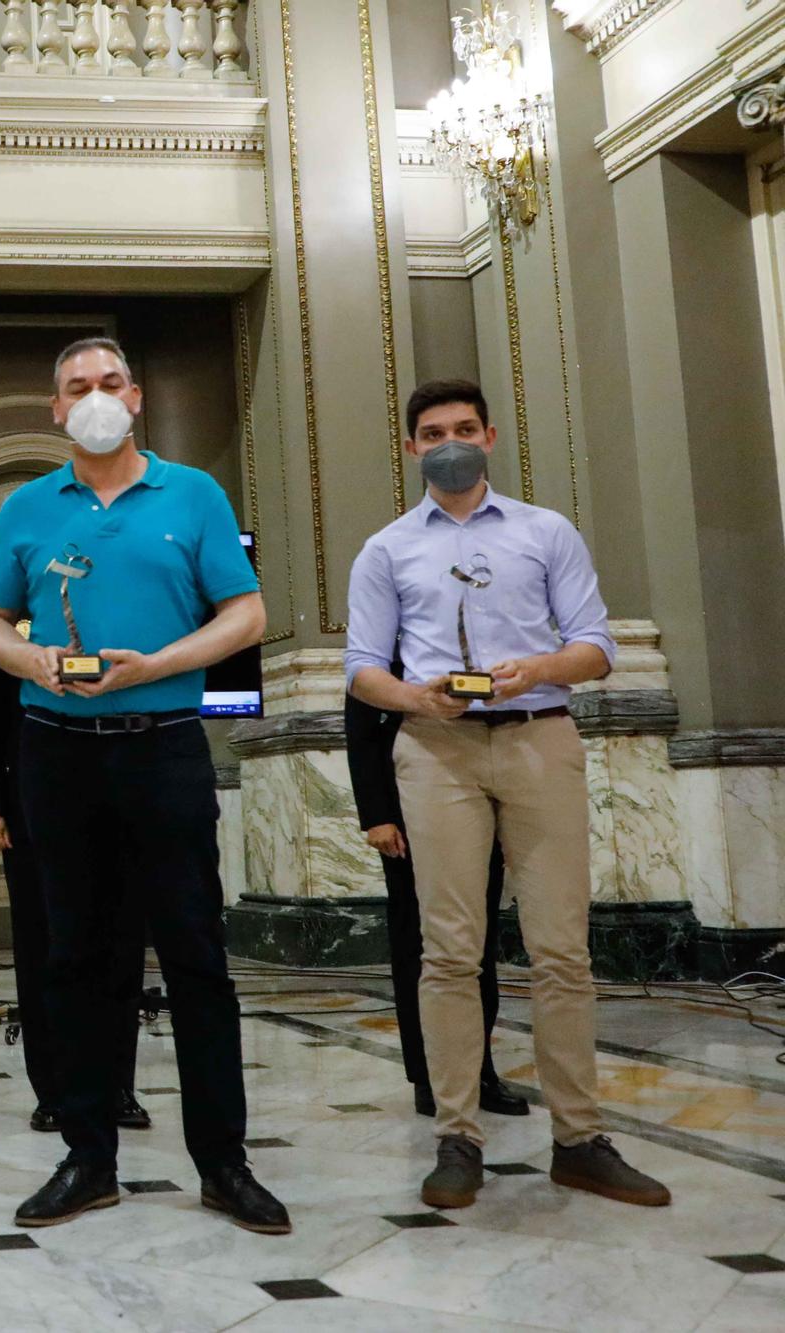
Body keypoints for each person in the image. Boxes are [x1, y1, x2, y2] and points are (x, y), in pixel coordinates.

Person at [0, 336, 289, 1235]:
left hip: (165, 747)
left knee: (194, 953)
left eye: (111, 381)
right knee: (75, 958)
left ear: (137, 396)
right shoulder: (28, 507)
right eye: (78, 386)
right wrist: (29, 656)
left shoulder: (194, 493)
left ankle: (223, 1161)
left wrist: (154, 666)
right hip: (56, 752)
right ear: (58, 409)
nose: (97, 395)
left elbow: (247, 613)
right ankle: (88, 1154)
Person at [345, 378, 669, 1211]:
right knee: (449, 950)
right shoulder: (386, 550)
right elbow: (362, 671)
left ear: (488, 435)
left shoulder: (544, 531)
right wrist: (419, 698)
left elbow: (596, 645)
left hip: (539, 736)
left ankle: (581, 1138)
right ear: (411, 447)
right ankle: (457, 1136)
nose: (448, 441)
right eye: (431, 432)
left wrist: (541, 667)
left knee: (562, 949)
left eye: (462, 428)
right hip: (436, 750)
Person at [0, 644, 150, 1136]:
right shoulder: (10, 604)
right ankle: (53, 1091)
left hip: (120, 793)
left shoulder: (116, 601)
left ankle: (117, 1087)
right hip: (30, 801)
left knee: (121, 944)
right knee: (40, 944)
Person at [343, 654, 527, 1120]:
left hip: (480, 804)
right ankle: (428, 1076)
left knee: (478, 943)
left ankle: (479, 1071)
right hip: (405, 813)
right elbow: (362, 731)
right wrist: (377, 816)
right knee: (416, 943)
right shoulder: (382, 647)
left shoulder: (476, 644)